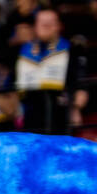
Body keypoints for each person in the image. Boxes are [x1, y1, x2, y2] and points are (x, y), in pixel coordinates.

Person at [17, 7, 71, 135]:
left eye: (50, 22)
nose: (46, 26)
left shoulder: (70, 49)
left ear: (59, 26)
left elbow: (77, 87)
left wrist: (75, 107)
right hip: (30, 120)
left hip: (59, 120)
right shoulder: (24, 50)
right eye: (42, 22)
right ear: (35, 26)